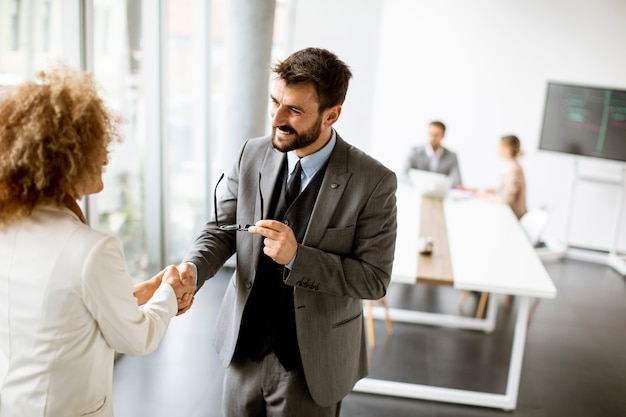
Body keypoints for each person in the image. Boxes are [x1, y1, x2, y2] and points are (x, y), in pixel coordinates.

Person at [177, 47, 398, 416]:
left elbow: (374, 279)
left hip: (311, 364)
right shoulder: (251, 153)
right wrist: (193, 269)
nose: (277, 117)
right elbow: (221, 228)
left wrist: (299, 258)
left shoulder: (373, 182)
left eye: (294, 110)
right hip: (241, 350)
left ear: (332, 114)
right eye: (275, 101)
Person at [0, 64, 192, 416]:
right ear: (65, 158)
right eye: (97, 146)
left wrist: (141, 291)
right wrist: (167, 290)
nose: (105, 155)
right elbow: (137, 338)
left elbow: (64, 310)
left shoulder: (9, 226)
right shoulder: (91, 248)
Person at [404, 120, 463, 188]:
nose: (432, 138)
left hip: (440, 193)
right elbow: (403, 175)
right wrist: (418, 184)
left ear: (443, 135)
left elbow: (457, 181)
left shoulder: (451, 156)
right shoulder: (415, 151)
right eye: (430, 134)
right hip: (417, 191)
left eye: (436, 135)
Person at [481, 134, 527, 219]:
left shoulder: (514, 169)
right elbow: (502, 190)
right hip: (509, 214)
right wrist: (482, 191)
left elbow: (507, 199)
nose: (497, 150)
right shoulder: (511, 166)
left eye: (500, 147)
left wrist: (488, 197)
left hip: (513, 217)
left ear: (507, 149)